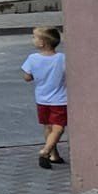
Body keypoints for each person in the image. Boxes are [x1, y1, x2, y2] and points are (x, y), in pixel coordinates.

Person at [23, 25, 67, 169]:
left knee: (48, 126)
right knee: (58, 127)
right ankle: (47, 151)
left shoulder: (32, 58)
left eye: (34, 37)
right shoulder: (62, 58)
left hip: (41, 99)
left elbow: (27, 77)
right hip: (59, 99)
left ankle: (52, 154)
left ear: (42, 43)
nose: (32, 39)